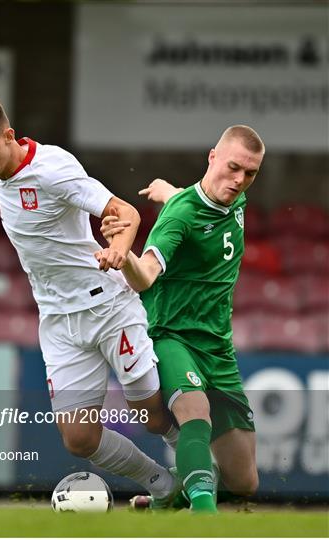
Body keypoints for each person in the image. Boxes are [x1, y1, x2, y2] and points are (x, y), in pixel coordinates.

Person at [0, 94, 182, 507]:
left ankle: (200, 471)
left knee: (151, 415)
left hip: (106, 306)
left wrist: (119, 249)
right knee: (79, 438)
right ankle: (165, 486)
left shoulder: (55, 169)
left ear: (9, 136)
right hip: (58, 321)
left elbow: (125, 211)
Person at [97, 125, 265, 513]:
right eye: (234, 168)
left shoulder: (231, 198)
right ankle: (202, 520)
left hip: (218, 347)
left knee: (245, 482)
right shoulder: (178, 218)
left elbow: (201, 205)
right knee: (195, 412)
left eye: (250, 173)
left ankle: (176, 496)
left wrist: (168, 190)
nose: (240, 180)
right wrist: (125, 259)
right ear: (212, 157)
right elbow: (147, 276)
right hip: (171, 335)